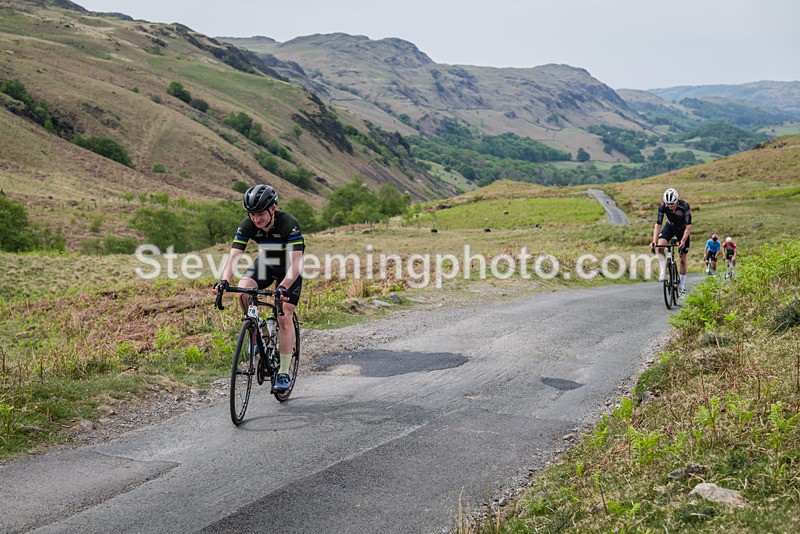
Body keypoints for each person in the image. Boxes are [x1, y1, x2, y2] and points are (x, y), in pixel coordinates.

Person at [212, 184, 305, 393]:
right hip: (266, 263)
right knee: (244, 292)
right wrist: (224, 281)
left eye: (260, 214)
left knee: (283, 316)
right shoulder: (248, 224)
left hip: (289, 269)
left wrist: (283, 287)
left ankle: (283, 372)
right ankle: (259, 331)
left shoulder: (288, 223)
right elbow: (234, 256)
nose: (256, 219)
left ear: (273, 209)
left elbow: (297, 264)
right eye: (252, 214)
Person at [650, 187, 692, 294]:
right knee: (660, 247)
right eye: (668, 204)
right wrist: (654, 240)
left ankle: (682, 286)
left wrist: (682, 240)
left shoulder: (684, 206)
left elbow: (688, 227)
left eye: (672, 204)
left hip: (682, 229)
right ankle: (663, 269)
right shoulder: (663, 206)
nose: (670, 206)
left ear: (677, 200)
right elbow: (658, 224)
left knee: (682, 258)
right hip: (670, 226)